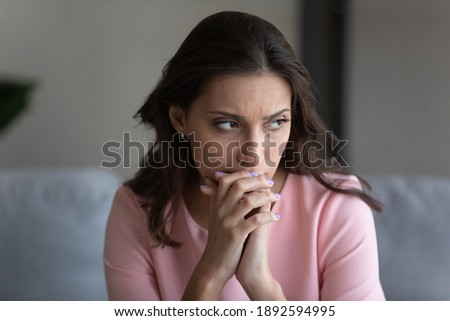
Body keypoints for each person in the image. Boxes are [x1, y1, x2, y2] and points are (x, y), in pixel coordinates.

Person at [103, 11, 385, 301]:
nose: (254, 155)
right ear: (179, 118)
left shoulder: (338, 208)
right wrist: (212, 270)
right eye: (228, 124)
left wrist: (260, 283)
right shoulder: (137, 211)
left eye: (276, 123)